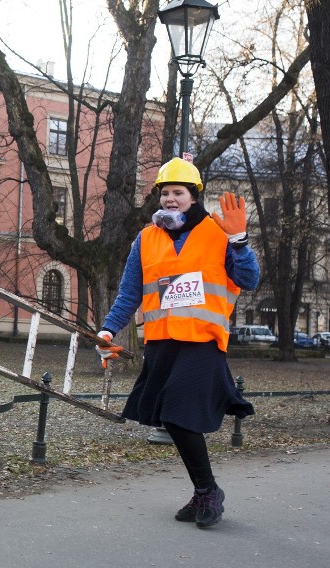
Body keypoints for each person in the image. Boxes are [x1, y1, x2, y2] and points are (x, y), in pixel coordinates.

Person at [96, 157, 258, 529]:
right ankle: (205, 490)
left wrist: (240, 241)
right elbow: (130, 293)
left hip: (202, 342)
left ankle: (207, 491)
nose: (170, 199)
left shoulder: (219, 233)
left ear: (193, 196)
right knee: (172, 417)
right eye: (165, 192)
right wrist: (107, 330)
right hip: (162, 343)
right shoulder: (146, 238)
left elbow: (248, 280)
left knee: (178, 414)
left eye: (178, 192)